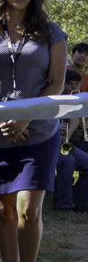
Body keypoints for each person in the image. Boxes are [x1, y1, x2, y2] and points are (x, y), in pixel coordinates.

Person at [0, 0, 67, 262]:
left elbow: (57, 84)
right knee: (5, 212)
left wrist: (25, 117)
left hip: (40, 131)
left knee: (28, 211)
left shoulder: (51, 32)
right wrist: (3, 117)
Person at [53, 68, 88, 212]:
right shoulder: (54, 100)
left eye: (76, 84)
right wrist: (56, 128)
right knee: (68, 162)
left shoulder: (77, 102)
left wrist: (67, 133)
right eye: (70, 84)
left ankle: (80, 200)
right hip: (50, 146)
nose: (73, 87)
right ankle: (64, 204)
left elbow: (75, 120)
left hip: (66, 145)